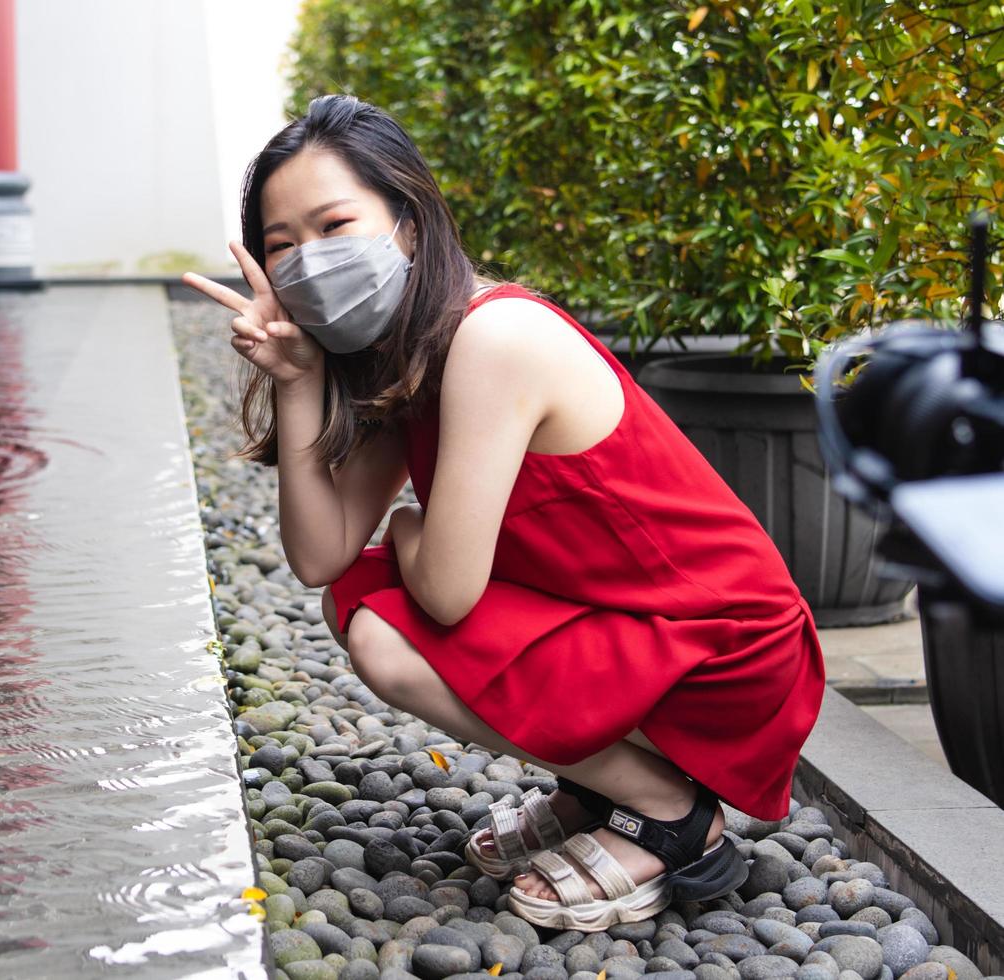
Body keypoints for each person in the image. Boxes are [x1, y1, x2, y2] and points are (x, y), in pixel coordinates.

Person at [181, 93, 826, 931]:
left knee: (393, 625)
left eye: (335, 225)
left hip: (727, 655)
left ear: (408, 222)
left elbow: (446, 593)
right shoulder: (407, 354)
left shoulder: (494, 338)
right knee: (365, 598)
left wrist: (409, 527)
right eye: (282, 247)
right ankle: (602, 787)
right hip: (637, 626)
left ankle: (665, 808)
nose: (309, 261)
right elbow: (321, 556)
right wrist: (299, 378)